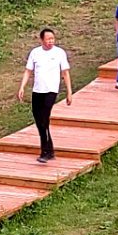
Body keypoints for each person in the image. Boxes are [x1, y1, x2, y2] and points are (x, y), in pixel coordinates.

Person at [15, 27, 73, 163]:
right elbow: (28, 71)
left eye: (52, 38)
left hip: (51, 90)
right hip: (37, 91)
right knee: (39, 121)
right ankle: (50, 150)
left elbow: (65, 73)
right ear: (41, 40)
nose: (50, 41)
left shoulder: (59, 53)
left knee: (44, 119)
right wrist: (22, 87)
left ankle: (45, 152)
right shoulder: (35, 53)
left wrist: (69, 92)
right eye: (48, 39)